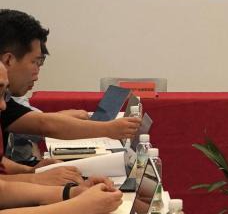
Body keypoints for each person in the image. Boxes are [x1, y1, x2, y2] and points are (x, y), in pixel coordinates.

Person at [0, 10, 140, 177]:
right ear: (8, 60)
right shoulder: (4, 102)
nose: (37, 73)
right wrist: (108, 129)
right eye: (35, 62)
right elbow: (45, 125)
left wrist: (31, 171)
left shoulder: (6, 99)